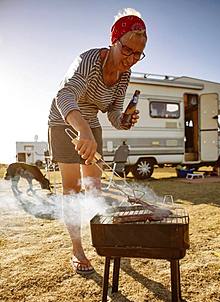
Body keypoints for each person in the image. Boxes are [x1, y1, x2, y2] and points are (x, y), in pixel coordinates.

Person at [48, 11, 147, 275]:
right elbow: (64, 95)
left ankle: (103, 241)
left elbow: (113, 113)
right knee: (72, 190)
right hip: (64, 120)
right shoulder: (89, 60)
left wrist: (124, 119)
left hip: (90, 124)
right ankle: (77, 249)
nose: (131, 59)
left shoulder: (124, 75)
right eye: (127, 50)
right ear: (114, 41)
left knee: (94, 188)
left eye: (138, 54)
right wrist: (82, 130)